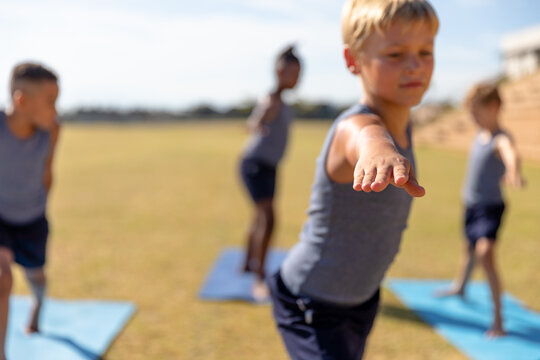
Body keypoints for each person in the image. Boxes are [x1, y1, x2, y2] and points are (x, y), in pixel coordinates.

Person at [268, 0, 439, 358]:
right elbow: (364, 134)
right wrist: (378, 149)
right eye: (395, 54)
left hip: (360, 298)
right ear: (353, 60)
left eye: (425, 51)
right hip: (311, 302)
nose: (414, 64)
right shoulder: (354, 125)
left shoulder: (403, 120)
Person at [436, 82, 525, 337]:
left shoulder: (500, 138)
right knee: (468, 247)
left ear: (494, 107)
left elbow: (511, 153)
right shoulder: (480, 135)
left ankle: (498, 319)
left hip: (489, 207)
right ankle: (460, 286)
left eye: (476, 111)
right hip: (471, 203)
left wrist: (512, 171)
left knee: (485, 253)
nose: (472, 117)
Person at [0, 62, 60, 359]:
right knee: (2, 277)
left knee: (36, 275)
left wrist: (40, 206)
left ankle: (37, 304)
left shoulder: (51, 130)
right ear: (21, 100)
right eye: (50, 102)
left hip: (33, 216)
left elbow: (47, 173)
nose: (56, 110)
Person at [239, 46, 301, 301]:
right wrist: (258, 125)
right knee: (269, 219)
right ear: (279, 71)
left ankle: (246, 263)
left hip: (268, 165)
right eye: (291, 73)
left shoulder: (280, 99)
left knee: (260, 217)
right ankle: (259, 279)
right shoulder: (272, 98)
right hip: (256, 164)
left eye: (299, 74)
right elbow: (257, 119)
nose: (296, 78)